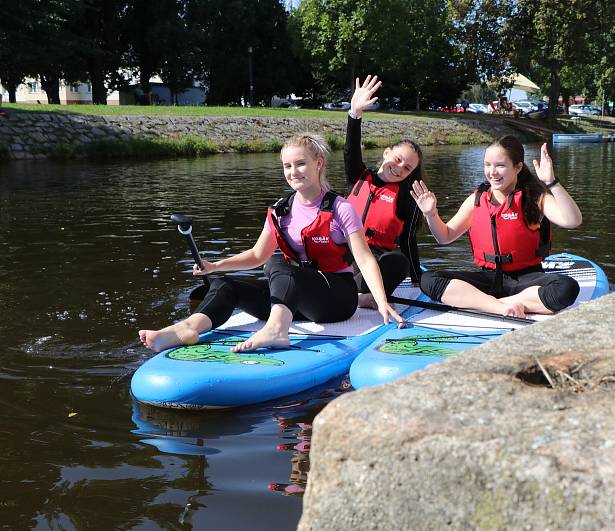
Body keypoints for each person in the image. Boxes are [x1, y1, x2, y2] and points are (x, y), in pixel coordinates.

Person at [139, 133, 403, 353]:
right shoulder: (280, 210)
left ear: (318, 163)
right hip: (296, 299)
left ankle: (277, 330)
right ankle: (189, 328)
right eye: (287, 166)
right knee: (226, 283)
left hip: (336, 299)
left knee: (279, 262)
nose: (293, 172)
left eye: (300, 164)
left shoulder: (340, 208)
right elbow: (256, 255)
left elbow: (365, 259)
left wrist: (381, 301)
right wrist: (215, 265)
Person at [411, 135, 582, 318]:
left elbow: (572, 220)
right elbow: (444, 236)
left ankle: (484, 303)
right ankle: (499, 307)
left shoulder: (533, 197)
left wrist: (551, 183)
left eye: (500, 165)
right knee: (429, 279)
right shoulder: (477, 199)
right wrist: (430, 214)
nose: (492, 172)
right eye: (487, 165)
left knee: (566, 288)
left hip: (527, 280)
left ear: (518, 167)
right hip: (489, 279)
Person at [344, 75, 424, 308]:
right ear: (386, 153)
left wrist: (417, 280)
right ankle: (352, 294)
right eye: (397, 159)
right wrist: (355, 114)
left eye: (407, 167)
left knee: (399, 262)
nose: (399, 168)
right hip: (344, 254)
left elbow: (408, 240)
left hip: (374, 261)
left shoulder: (408, 197)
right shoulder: (359, 176)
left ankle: (360, 295)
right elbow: (350, 150)